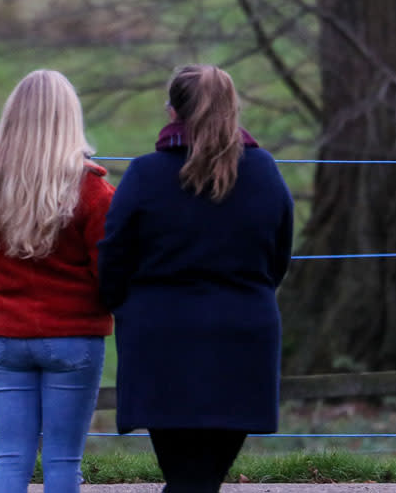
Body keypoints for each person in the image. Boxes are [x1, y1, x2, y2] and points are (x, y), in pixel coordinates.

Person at [98, 64, 294, 493]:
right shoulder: (263, 172)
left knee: (188, 478)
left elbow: (113, 256)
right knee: (200, 479)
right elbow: (279, 255)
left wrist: (125, 307)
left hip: (160, 339)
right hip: (244, 335)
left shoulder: (146, 174)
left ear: (172, 112)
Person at [0, 69, 116, 493]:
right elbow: (111, 275)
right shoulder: (94, 191)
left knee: (12, 460)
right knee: (62, 463)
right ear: (69, 119)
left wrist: (6, 294)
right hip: (75, 338)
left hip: (9, 337)